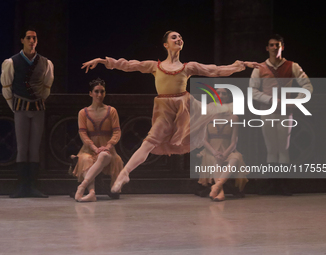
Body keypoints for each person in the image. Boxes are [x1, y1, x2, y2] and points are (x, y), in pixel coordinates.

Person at [81, 31, 259, 194]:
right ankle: (125, 173)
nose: (178, 39)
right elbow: (129, 65)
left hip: (184, 106)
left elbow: (216, 70)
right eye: (174, 37)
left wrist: (241, 65)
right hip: (164, 109)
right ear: (165, 44)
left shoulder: (188, 67)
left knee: (214, 113)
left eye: (180, 37)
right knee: (149, 143)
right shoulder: (155, 66)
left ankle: (215, 181)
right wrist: (104, 61)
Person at [249, 34, 313, 195]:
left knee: (283, 149)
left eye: (277, 45)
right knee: (271, 148)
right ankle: (272, 184)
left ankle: (283, 185)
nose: (274, 48)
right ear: (267, 48)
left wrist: (296, 101)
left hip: (286, 112)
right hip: (267, 111)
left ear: (282, 47)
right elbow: (253, 91)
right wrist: (270, 100)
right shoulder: (260, 68)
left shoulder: (292, 66)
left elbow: (307, 86)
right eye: (271, 45)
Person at [1, 27, 54, 198]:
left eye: (34, 38)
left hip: (38, 108)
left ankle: (33, 185)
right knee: (23, 147)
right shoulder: (12, 62)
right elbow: (7, 87)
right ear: (22, 40)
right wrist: (14, 105)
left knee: (34, 147)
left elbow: (47, 86)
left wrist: (40, 99)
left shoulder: (45, 62)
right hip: (20, 108)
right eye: (29, 38)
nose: (32, 41)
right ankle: (22, 186)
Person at [73, 78, 123, 202]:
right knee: (86, 159)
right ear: (90, 93)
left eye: (102, 92)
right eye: (96, 91)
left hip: (107, 148)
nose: (99, 95)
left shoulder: (111, 111)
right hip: (89, 149)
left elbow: (117, 131)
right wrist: (94, 148)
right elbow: (83, 133)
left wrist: (108, 146)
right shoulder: (83, 113)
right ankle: (91, 192)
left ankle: (82, 186)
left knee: (107, 156)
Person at [196, 88, 248, 201]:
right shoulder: (207, 117)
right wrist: (215, 152)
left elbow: (234, 141)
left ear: (228, 97)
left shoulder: (234, 118)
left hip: (228, 150)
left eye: (224, 93)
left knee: (235, 159)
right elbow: (203, 140)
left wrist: (225, 153)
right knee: (215, 161)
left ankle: (217, 186)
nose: (220, 95)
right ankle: (220, 192)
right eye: (218, 93)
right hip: (211, 150)